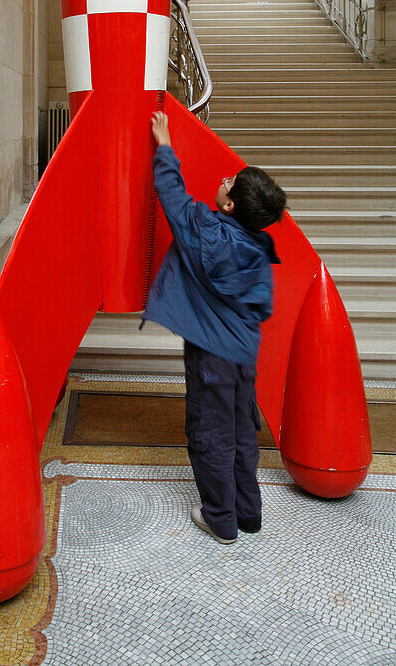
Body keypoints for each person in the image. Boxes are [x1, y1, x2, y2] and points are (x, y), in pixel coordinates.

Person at [143, 111, 286, 544]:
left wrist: (164, 146)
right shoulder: (259, 247)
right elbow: (261, 306)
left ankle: (220, 519)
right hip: (244, 356)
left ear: (229, 205)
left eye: (231, 182)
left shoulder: (208, 232)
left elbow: (173, 197)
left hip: (211, 355)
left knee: (211, 432)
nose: (225, 179)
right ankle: (248, 512)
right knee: (243, 430)